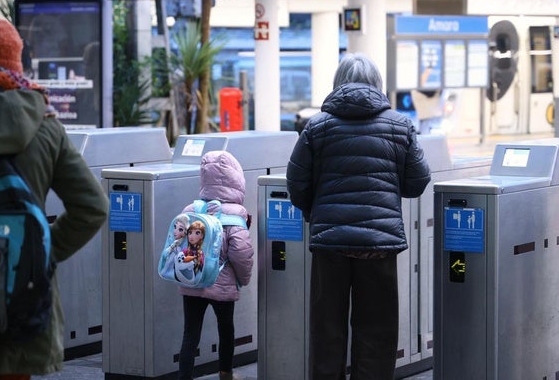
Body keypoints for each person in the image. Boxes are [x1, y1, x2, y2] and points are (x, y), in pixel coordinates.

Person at [286, 52, 431, 380]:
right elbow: (418, 181)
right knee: (377, 330)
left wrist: (317, 213)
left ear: (337, 83)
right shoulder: (399, 126)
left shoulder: (317, 127)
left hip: (329, 245)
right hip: (379, 244)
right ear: (378, 84)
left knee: (327, 328)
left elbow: (296, 182)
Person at [0, 19, 109, 379]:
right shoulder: (46, 125)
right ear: (17, 62)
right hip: (21, 299)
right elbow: (93, 207)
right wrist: (37, 253)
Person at [178, 150, 253, 380]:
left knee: (190, 333)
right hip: (222, 283)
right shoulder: (236, 214)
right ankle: (225, 373)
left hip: (193, 280)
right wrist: (244, 278)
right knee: (226, 329)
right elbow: (240, 252)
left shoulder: (190, 210)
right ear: (235, 178)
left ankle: (184, 378)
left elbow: (179, 242)